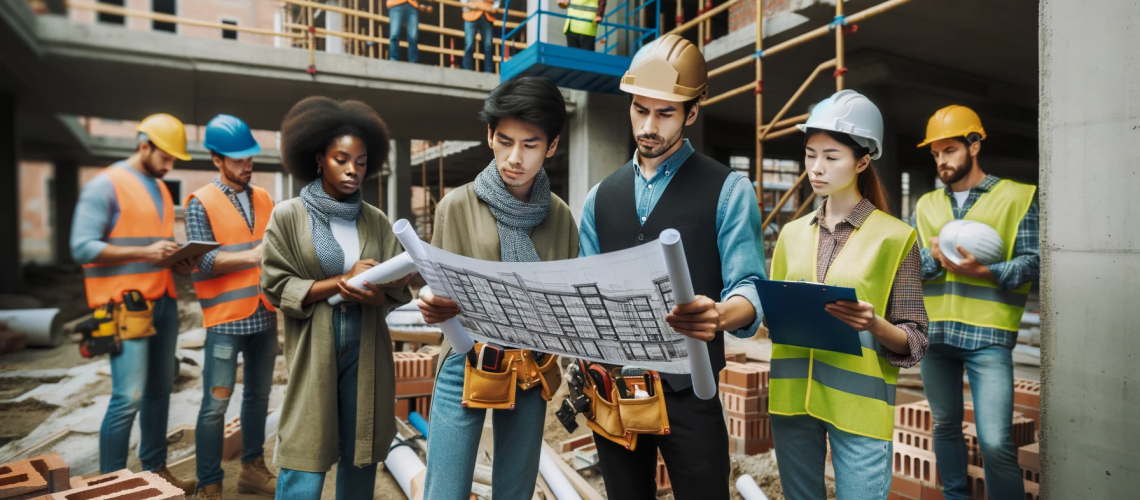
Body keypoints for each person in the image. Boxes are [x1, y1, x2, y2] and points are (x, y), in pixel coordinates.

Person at [577, 34, 766, 499]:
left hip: (692, 392)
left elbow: (751, 287)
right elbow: (585, 289)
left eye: (664, 114)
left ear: (692, 111)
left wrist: (721, 314)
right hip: (617, 388)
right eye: (640, 109)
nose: (649, 126)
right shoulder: (598, 198)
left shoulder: (729, 190)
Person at [417, 75, 577, 500]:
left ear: (552, 145)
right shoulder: (456, 205)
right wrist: (432, 305)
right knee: (444, 490)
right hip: (466, 358)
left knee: (515, 489)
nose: (515, 157)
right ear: (490, 135)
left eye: (530, 144)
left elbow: (567, 300)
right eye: (505, 141)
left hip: (531, 362)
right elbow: (438, 286)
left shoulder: (561, 217)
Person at [767, 90, 928, 500]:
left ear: (861, 161)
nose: (816, 168)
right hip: (791, 399)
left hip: (860, 407)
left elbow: (915, 340)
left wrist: (874, 324)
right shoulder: (789, 234)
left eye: (831, 156)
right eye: (810, 154)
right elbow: (774, 319)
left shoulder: (896, 238)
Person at [261, 97, 412, 500]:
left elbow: (394, 291)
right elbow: (275, 285)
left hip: (366, 341)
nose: (352, 170)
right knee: (305, 444)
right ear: (318, 159)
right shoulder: (289, 215)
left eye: (361, 162)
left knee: (362, 443)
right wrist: (340, 282)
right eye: (341, 159)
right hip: (316, 340)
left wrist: (382, 288)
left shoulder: (376, 219)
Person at [912, 105, 1038, 500]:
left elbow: (1035, 260)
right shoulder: (926, 204)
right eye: (935, 154)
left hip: (988, 337)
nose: (941, 161)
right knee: (945, 427)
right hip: (937, 334)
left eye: (949, 150)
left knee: (996, 441)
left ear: (974, 145)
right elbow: (914, 267)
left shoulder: (1017, 197)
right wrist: (934, 259)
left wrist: (987, 272)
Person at [70, 113, 199, 493]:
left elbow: (150, 246)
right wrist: (145, 252)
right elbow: (82, 246)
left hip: (162, 300)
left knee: (160, 391)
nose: (170, 165)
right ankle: (111, 482)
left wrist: (176, 261)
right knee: (129, 396)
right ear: (144, 146)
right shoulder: (104, 186)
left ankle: (154, 471)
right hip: (122, 307)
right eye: (167, 157)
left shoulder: (159, 188)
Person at [186, 114, 277, 500]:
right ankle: (210, 483)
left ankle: (252, 469)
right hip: (225, 321)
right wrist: (256, 256)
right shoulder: (200, 203)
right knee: (215, 405)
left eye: (249, 157)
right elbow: (202, 261)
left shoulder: (264, 198)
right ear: (217, 159)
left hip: (265, 313)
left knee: (258, 397)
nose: (246, 165)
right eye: (237, 159)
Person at [462, 0, 500, 72]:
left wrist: (495, 7)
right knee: (469, 44)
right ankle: (467, 69)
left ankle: (489, 71)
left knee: (488, 45)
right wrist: (467, 6)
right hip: (471, 13)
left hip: (487, 14)